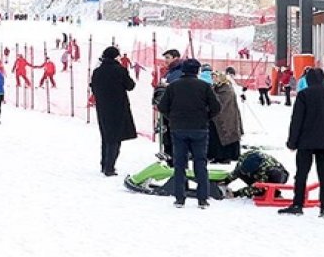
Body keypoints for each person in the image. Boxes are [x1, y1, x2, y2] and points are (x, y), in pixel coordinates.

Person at [280, 67, 324, 218]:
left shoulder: (304, 95)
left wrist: (292, 142)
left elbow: (297, 120)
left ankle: (297, 204)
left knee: (301, 174)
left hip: (305, 141)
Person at [156, 58, 219, 206]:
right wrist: (205, 117)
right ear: (197, 71)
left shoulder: (173, 86)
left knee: (179, 163)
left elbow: (162, 106)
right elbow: (216, 107)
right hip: (200, 129)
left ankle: (179, 197)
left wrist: (172, 118)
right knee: (200, 163)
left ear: (183, 69)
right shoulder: (204, 86)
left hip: (178, 129)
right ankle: (202, 198)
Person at [91, 47, 141, 178]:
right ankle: (110, 167)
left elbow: (93, 87)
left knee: (105, 136)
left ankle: (104, 164)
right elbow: (130, 86)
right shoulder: (120, 70)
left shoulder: (97, 71)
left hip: (102, 108)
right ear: (115, 57)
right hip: (118, 107)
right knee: (115, 138)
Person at [209, 71, 243, 164]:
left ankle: (226, 157)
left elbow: (221, 101)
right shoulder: (216, 88)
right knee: (217, 137)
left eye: (215, 77)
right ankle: (217, 156)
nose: (213, 79)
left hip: (227, 117)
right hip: (217, 117)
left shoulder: (227, 89)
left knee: (226, 135)